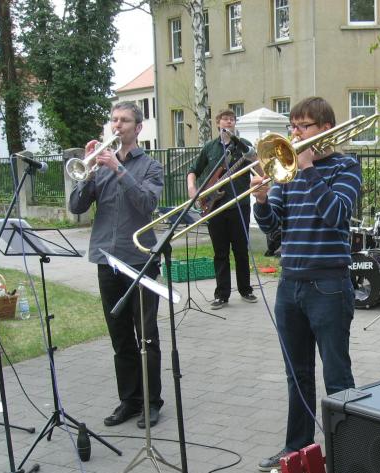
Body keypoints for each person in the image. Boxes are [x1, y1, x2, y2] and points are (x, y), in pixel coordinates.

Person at [251, 97, 360, 471]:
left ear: (325, 129)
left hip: (329, 284)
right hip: (290, 284)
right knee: (297, 375)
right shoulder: (288, 170)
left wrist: (310, 169)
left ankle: (347, 454)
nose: (294, 133)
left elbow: (336, 214)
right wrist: (261, 201)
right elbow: (273, 228)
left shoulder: (346, 166)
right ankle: (297, 449)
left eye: (302, 126)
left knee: (336, 374)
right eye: (292, 126)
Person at [68, 101, 164, 428]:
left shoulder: (150, 166)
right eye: (114, 120)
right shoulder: (100, 165)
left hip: (138, 261)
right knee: (120, 338)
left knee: (146, 337)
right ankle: (130, 401)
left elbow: (147, 203)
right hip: (106, 260)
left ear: (138, 128)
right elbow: (76, 207)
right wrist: (87, 171)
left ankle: (152, 402)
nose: (117, 125)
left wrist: (119, 170)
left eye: (124, 120)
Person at [187, 109, 258, 309]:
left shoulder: (244, 146)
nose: (229, 122)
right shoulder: (210, 148)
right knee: (220, 252)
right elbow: (193, 170)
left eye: (232, 119)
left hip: (239, 205)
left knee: (241, 250)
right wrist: (192, 188)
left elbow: (258, 169)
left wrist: (254, 159)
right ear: (218, 123)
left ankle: (246, 290)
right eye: (225, 119)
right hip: (215, 206)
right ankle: (222, 295)